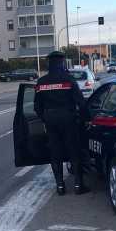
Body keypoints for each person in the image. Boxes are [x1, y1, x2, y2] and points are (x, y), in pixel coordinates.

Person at [34, 51, 88, 196]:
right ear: (62, 63)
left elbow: (37, 107)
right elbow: (81, 103)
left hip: (51, 120)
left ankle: (60, 186)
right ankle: (78, 185)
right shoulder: (69, 80)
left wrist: (45, 118)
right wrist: (83, 118)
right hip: (68, 119)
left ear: (49, 64)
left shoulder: (41, 82)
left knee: (55, 153)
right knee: (73, 151)